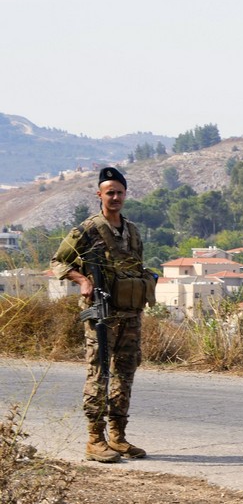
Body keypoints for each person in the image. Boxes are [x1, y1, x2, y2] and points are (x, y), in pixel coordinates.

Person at [52, 167, 158, 463]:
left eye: (119, 192)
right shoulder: (88, 228)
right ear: (99, 195)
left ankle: (118, 437)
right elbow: (59, 261)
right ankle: (94, 439)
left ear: (126, 195)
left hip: (130, 314)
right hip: (103, 314)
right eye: (109, 192)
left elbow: (135, 266)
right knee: (99, 373)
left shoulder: (133, 230)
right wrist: (83, 280)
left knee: (125, 374)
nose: (115, 197)